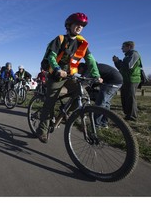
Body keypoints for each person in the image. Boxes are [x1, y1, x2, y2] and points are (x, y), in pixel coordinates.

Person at [36, 12, 102, 143]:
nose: (80, 27)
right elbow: (52, 56)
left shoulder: (81, 42)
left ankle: (64, 112)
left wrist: (96, 75)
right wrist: (57, 69)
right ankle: (42, 130)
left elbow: (90, 59)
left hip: (70, 75)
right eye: (77, 24)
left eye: (82, 25)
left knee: (81, 94)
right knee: (49, 103)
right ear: (69, 25)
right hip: (56, 75)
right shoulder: (60, 39)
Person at [78, 62, 123, 127]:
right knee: (106, 103)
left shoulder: (90, 69)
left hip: (112, 83)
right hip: (117, 82)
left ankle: (96, 124)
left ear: (81, 68)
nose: (78, 73)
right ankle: (104, 123)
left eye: (78, 70)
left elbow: (84, 81)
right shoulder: (95, 66)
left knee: (99, 104)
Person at [113, 41, 142, 121]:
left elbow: (128, 66)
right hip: (126, 79)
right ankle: (129, 114)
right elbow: (122, 68)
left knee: (130, 97)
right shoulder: (128, 55)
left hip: (132, 79)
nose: (122, 48)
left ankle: (132, 116)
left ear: (129, 46)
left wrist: (118, 61)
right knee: (125, 97)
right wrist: (116, 61)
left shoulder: (134, 54)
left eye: (123, 47)